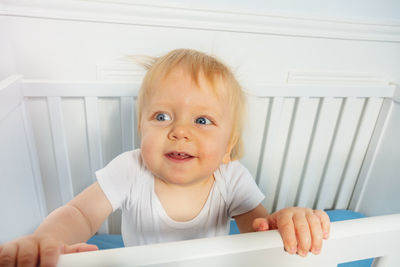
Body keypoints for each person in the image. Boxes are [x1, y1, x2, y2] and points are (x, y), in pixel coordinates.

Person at [0, 49, 330, 266]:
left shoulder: (233, 179)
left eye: (202, 121)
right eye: (162, 117)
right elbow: (80, 214)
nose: (180, 131)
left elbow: (258, 232)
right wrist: (48, 240)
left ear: (228, 146)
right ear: (141, 126)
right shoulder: (130, 169)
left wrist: (283, 222)